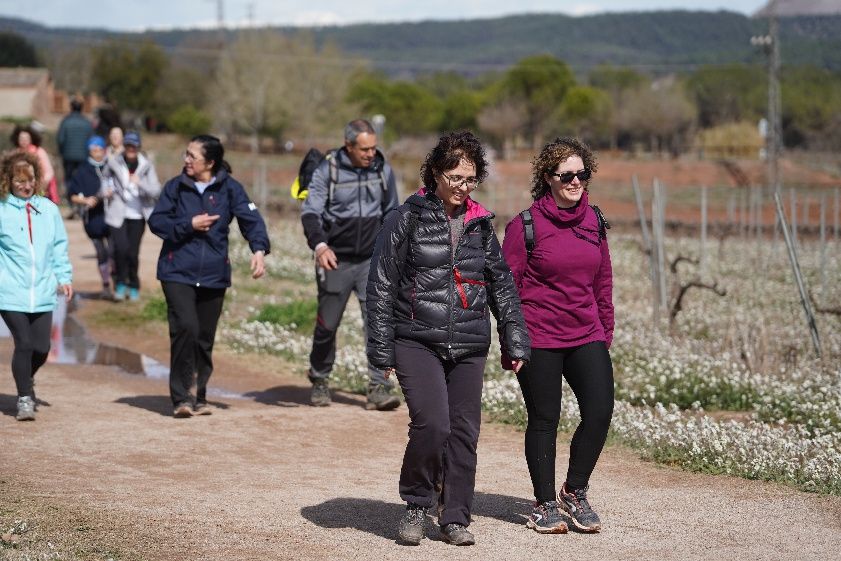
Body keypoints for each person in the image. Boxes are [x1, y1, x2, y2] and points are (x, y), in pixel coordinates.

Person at [366, 131, 530, 546]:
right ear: (436, 173)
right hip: (416, 337)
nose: (463, 186)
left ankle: (455, 515)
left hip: (470, 344)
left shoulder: (480, 225)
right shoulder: (406, 219)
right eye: (456, 177)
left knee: (463, 432)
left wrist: (515, 340)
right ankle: (418, 504)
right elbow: (382, 284)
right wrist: (381, 349)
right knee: (433, 424)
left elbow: (502, 286)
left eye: (470, 179)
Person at [502, 137, 614, 534]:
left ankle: (575, 491)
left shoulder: (594, 221)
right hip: (539, 337)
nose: (575, 181)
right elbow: (507, 288)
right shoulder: (525, 225)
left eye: (582, 174)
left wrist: (605, 332)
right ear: (547, 178)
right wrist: (511, 341)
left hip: (586, 334)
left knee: (600, 412)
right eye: (566, 175)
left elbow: (603, 282)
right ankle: (544, 503)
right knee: (545, 418)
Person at [148, 134, 270, 418]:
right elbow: (157, 222)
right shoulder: (176, 187)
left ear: (211, 162)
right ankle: (181, 397)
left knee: (204, 337)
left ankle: (199, 394)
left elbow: (251, 219)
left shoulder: (230, 189)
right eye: (186, 154)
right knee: (185, 328)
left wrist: (259, 250)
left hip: (214, 274)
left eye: (193, 156)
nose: (186, 160)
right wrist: (188, 224)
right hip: (176, 270)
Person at [301, 119, 401, 411]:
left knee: (377, 324)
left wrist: (392, 252)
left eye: (374, 147)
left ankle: (378, 387)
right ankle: (319, 379)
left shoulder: (383, 170)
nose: (371, 154)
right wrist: (320, 246)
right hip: (335, 259)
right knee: (327, 325)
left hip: (372, 260)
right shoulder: (327, 171)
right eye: (365, 149)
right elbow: (310, 212)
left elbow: (392, 214)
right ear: (349, 146)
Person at [0, 152, 73, 421]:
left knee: (42, 348)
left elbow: (59, 248)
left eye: (30, 179)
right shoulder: (2, 208)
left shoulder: (49, 209)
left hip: (42, 290)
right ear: (8, 180)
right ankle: (24, 399)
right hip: (10, 291)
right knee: (24, 343)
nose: (25, 185)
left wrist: (64, 278)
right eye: (19, 180)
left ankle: (25, 379)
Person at [102, 130, 160, 301]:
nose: (130, 149)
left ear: (138, 147)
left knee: (132, 253)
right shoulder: (114, 162)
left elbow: (156, 190)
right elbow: (105, 178)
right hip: (118, 213)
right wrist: (107, 190)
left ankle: (133, 284)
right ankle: (120, 283)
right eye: (128, 145)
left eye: (134, 146)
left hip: (138, 215)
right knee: (120, 250)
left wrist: (140, 183)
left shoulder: (147, 165)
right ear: (124, 146)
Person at [67, 136, 113, 298]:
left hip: (112, 217)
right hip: (92, 219)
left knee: (114, 251)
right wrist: (85, 200)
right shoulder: (82, 171)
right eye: (94, 150)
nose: (97, 153)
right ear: (89, 151)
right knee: (101, 252)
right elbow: (72, 195)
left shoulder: (111, 167)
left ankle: (117, 282)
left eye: (100, 149)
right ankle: (106, 286)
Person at [10, 125, 60, 204]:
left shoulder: (39, 151)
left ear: (31, 139)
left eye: (26, 138)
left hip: (39, 187)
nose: (24, 141)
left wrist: (42, 185)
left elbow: (49, 172)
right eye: (21, 138)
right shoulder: (15, 153)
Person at [56, 98, 94, 197]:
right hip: (83, 156)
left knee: (69, 177)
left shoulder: (65, 121)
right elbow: (91, 140)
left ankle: (70, 196)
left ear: (71, 108)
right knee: (82, 176)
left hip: (68, 156)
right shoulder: (87, 122)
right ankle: (81, 195)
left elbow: (60, 139)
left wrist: (61, 152)